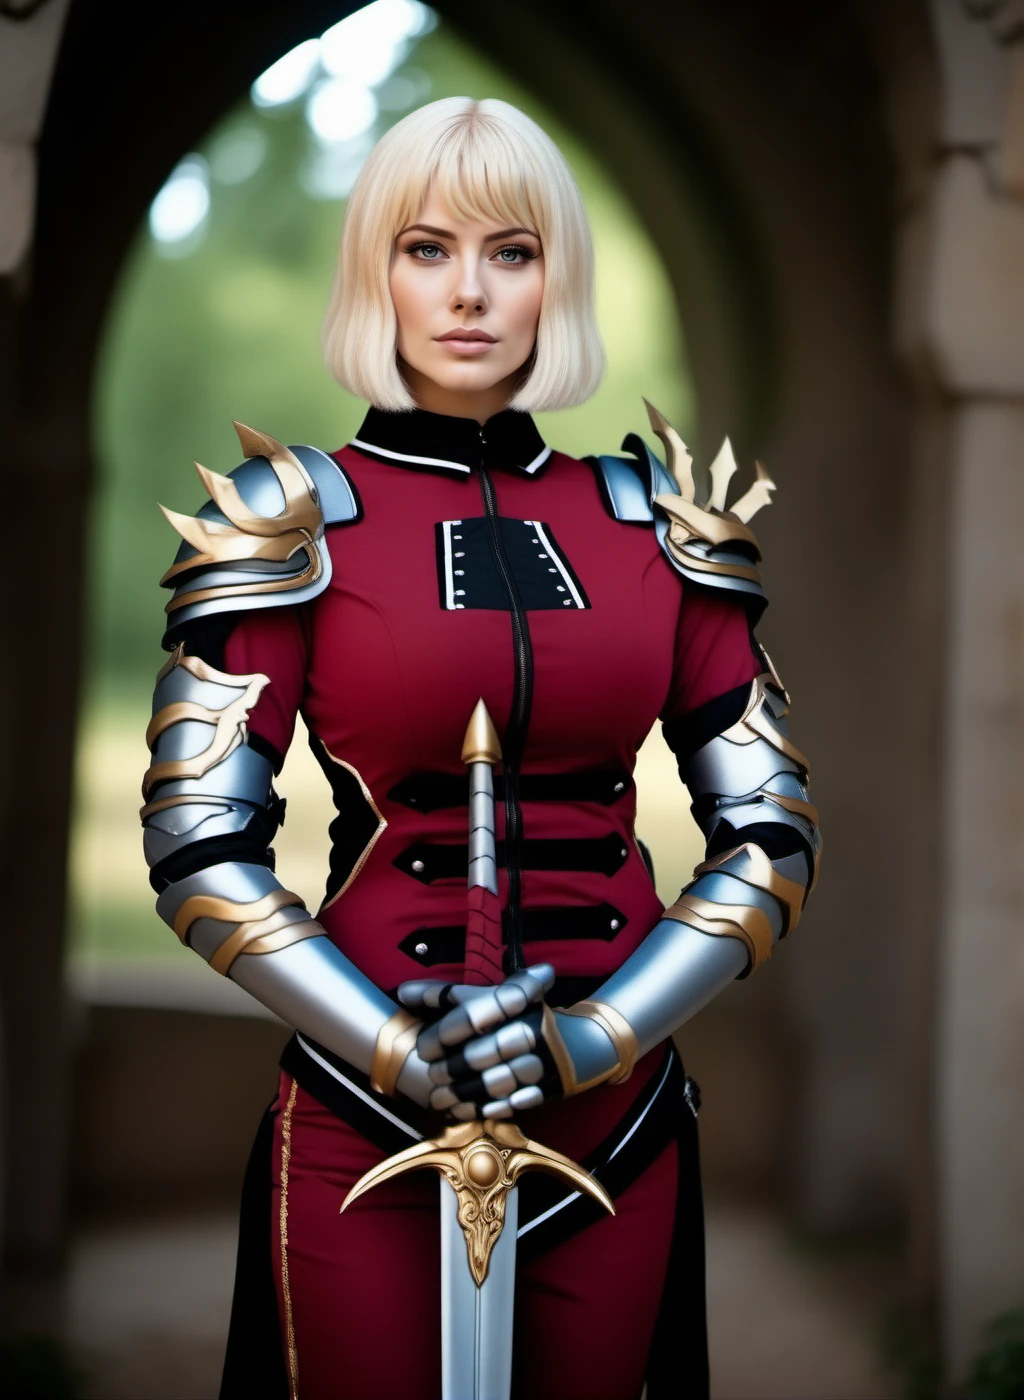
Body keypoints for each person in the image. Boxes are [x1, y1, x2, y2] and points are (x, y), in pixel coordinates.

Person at [141, 96, 820, 1400]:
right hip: (366, 1111)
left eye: (512, 252)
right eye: (425, 248)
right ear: (372, 272)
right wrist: (396, 1048)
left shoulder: (659, 526)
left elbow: (770, 835)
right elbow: (198, 844)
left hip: (613, 1115)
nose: (469, 293)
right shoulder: (288, 525)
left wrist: (597, 1037)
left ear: (558, 277)